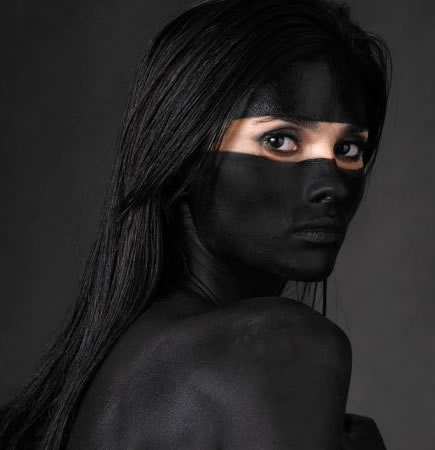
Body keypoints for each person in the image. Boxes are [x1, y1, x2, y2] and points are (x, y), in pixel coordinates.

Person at [0, 0, 392, 448]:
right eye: (279, 140)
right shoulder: (273, 344)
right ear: (181, 154)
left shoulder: (104, 376)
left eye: (348, 149)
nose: (332, 184)